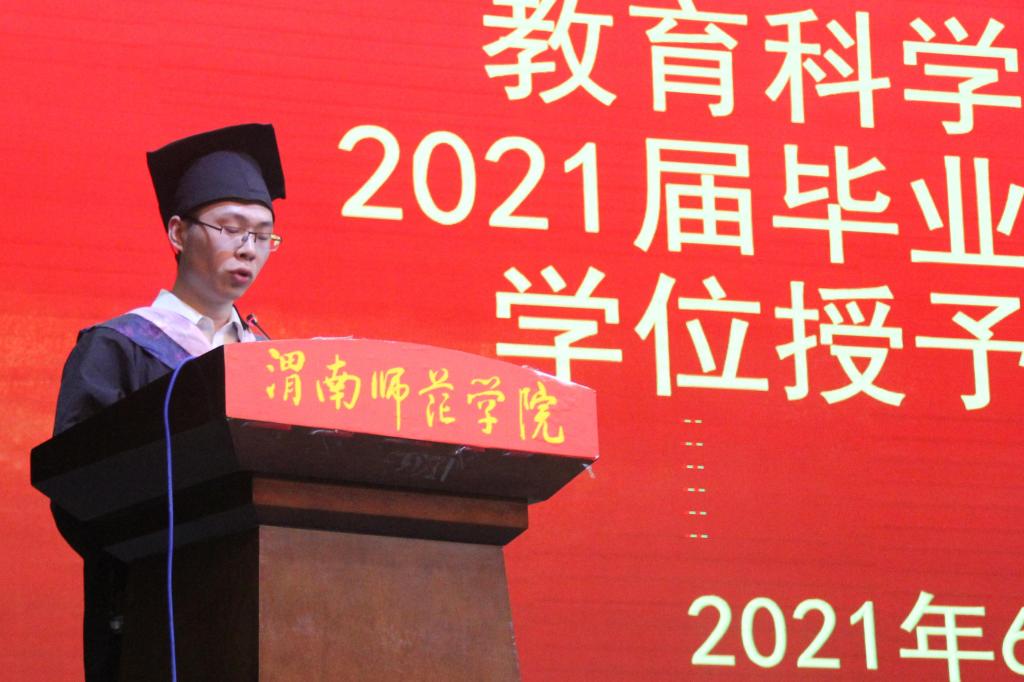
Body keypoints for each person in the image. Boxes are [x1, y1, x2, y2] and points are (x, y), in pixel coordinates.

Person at [51, 123, 286, 680]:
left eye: (263, 235)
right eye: (231, 228)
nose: (248, 249)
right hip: (150, 608)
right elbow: (77, 489)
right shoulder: (118, 347)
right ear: (178, 232)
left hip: (266, 608)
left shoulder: (274, 364)